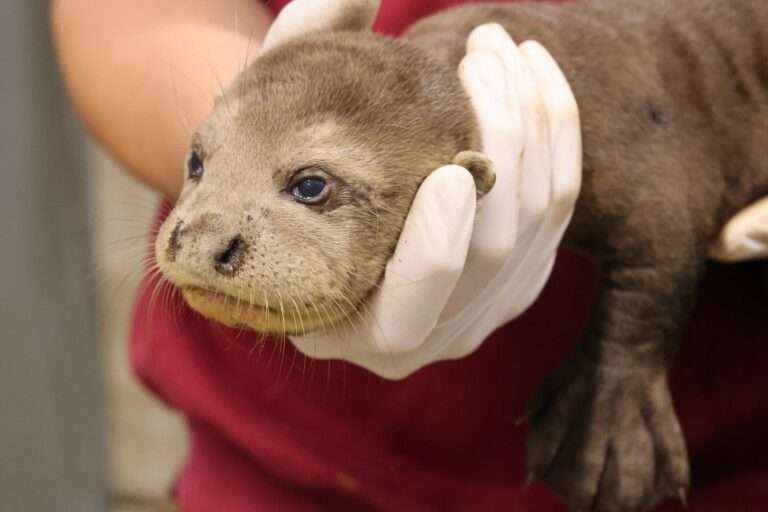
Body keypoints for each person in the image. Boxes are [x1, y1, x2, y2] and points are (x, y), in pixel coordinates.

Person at [53, 1, 768, 511]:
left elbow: (665, 207)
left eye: (311, 189)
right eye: (200, 164)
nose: (197, 240)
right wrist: (265, 93)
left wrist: (622, 371)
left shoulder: (608, 145)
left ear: (465, 173)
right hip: (276, 467)